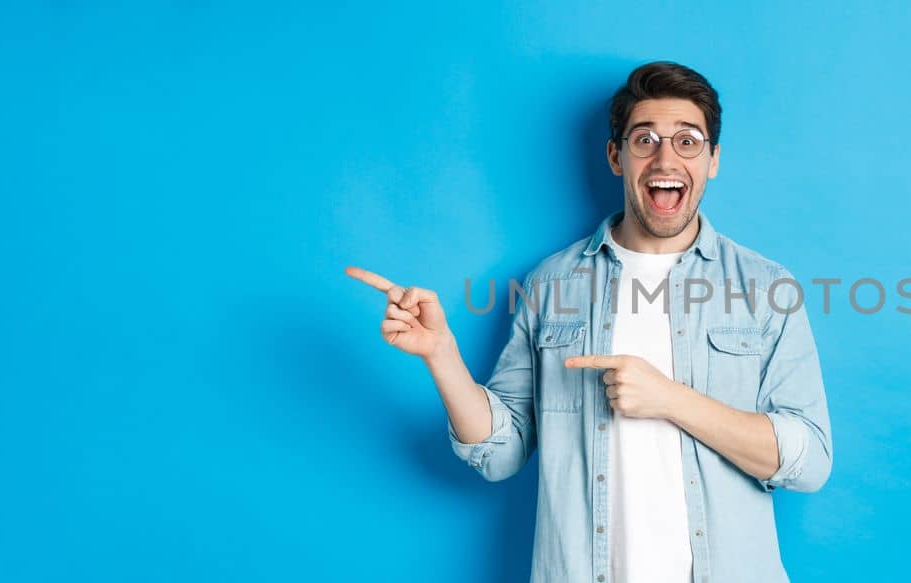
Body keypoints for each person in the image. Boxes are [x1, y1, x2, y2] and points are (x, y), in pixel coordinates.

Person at [346, 61, 832, 583]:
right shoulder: (551, 284)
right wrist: (442, 356)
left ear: (713, 160)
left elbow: (809, 461)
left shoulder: (765, 287)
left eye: (688, 141)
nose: (666, 157)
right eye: (644, 139)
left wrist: (669, 399)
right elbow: (500, 454)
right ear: (615, 156)